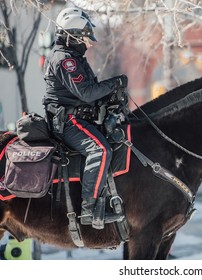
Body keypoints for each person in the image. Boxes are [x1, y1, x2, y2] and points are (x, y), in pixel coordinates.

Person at [42, 8, 128, 229]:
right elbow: (87, 93)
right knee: (100, 150)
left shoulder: (74, 58)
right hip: (68, 123)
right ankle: (89, 209)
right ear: (73, 35)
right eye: (86, 38)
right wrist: (116, 83)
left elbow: (89, 96)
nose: (90, 43)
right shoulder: (64, 59)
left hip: (79, 118)